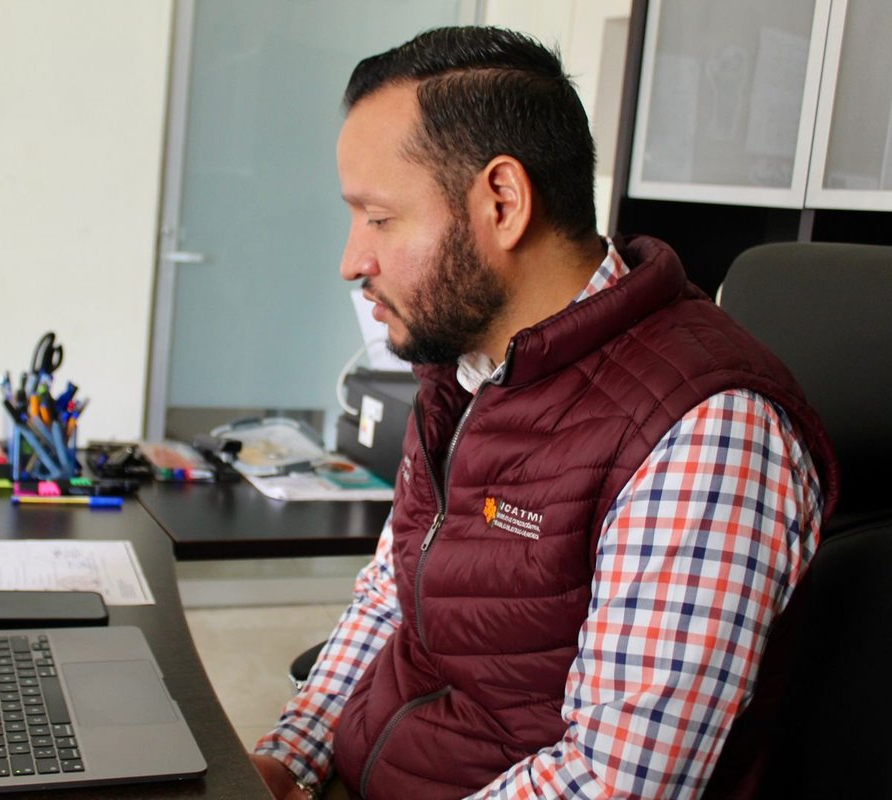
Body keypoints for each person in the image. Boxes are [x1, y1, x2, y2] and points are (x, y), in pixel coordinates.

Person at [250, 26, 838, 800]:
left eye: (380, 218)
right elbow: (394, 592)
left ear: (502, 201)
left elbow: (614, 779)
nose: (352, 259)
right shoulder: (468, 366)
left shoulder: (707, 431)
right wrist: (290, 758)